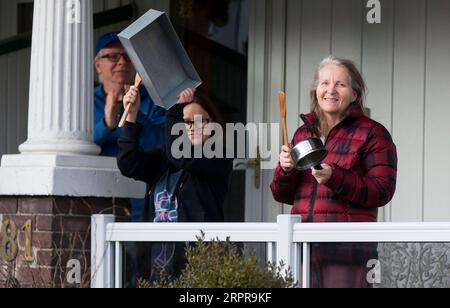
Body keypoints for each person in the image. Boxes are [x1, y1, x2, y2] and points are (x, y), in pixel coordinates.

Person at [270, 56, 398, 288]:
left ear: (355, 94)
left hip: (347, 252)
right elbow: (282, 195)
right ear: (316, 90)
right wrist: (285, 170)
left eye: (340, 84)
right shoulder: (302, 133)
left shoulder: (373, 133)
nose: (331, 90)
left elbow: (383, 190)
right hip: (303, 247)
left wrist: (334, 177)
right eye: (324, 83)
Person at [118, 87, 233, 281]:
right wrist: (132, 115)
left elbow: (181, 155)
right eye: (185, 122)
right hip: (155, 267)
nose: (192, 127)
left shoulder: (218, 156)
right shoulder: (165, 159)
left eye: (199, 121)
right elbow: (128, 163)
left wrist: (173, 111)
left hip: (195, 266)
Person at [93, 32, 166, 221]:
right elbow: (75, 143)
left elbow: (161, 140)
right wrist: (106, 124)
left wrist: (135, 114)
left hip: (141, 197)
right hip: (96, 196)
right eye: (112, 56)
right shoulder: (85, 101)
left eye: (128, 56)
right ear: (98, 65)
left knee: (137, 249)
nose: (122, 62)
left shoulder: (152, 99)